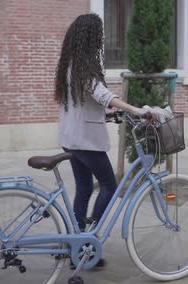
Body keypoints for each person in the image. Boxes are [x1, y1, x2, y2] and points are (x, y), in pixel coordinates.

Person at [54, 13, 156, 247]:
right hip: (85, 142)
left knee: (84, 187)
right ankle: (90, 238)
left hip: (71, 137)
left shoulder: (69, 65)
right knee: (110, 185)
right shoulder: (83, 68)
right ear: (91, 38)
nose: (102, 40)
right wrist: (136, 110)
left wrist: (107, 116)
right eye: (99, 35)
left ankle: (77, 243)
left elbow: (83, 105)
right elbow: (103, 95)